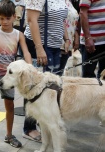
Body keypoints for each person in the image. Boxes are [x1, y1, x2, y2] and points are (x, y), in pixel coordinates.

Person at [0, 0, 32, 151]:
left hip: (9, 78)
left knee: (10, 105)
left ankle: (9, 135)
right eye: (1, 18)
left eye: (7, 18)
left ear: (14, 17)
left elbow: (26, 52)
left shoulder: (19, 35)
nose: (4, 22)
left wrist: (30, 68)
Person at [22, 0, 68, 142]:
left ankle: (47, 124)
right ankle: (29, 128)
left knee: (51, 89)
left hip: (54, 45)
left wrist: (66, 38)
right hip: (39, 45)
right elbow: (31, 20)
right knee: (34, 87)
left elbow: (60, 19)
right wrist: (39, 48)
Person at [79, 0, 105, 78]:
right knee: (88, 76)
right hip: (92, 41)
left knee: (104, 76)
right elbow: (83, 13)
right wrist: (88, 38)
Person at [57, 0, 80, 76]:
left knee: (59, 75)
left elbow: (72, 20)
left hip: (68, 44)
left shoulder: (69, 2)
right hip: (57, 43)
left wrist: (76, 35)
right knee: (54, 76)